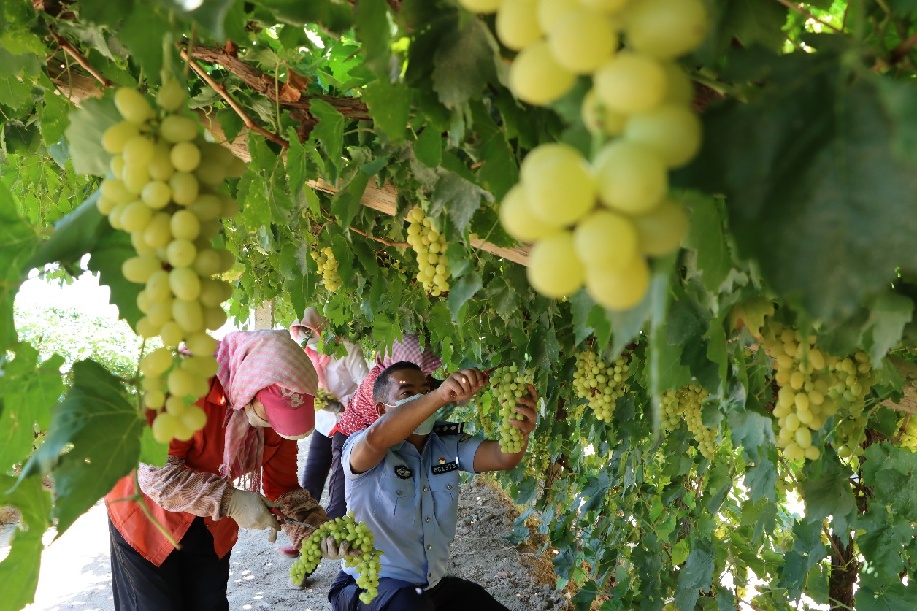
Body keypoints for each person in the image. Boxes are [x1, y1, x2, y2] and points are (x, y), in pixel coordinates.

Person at [104, 330, 332, 611]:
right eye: (269, 415)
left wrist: (316, 531)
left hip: (211, 522)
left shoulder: (276, 415)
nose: (274, 427)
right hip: (147, 517)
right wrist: (232, 500)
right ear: (248, 386)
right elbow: (156, 475)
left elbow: (284, 487)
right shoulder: (186, 382)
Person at [329, 361, 538, 610]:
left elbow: (504, 457)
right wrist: (438, 396)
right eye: (407, 393)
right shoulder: (362, 447)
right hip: (368, 587)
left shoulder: (446, 444)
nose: (420, 398)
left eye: (424, 390)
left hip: (428, 588)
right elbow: (377, 437)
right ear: (382, 409)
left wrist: (521, 430)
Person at [326, 334, 441, 519]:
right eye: (408, 390)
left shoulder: (415, 381)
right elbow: (400, 421)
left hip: (379, 441)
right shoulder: (379, 384)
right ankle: (330, 537)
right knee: (341, 498)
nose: (419, 391)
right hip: (349, 438)